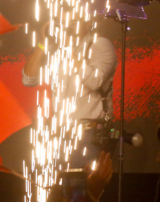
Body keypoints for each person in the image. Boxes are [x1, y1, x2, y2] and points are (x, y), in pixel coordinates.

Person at [22, 16, 116, 165]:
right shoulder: (55, 49)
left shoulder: (100, 45)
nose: (67, 24)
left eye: (73, 20)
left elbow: (94, 81)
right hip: (59, 133)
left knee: (83, 185)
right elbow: (28, 79)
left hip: (88, 134)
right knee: (60, 186)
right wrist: (43, 44)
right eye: (63, 19)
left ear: (88, 21)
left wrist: (69, 49)